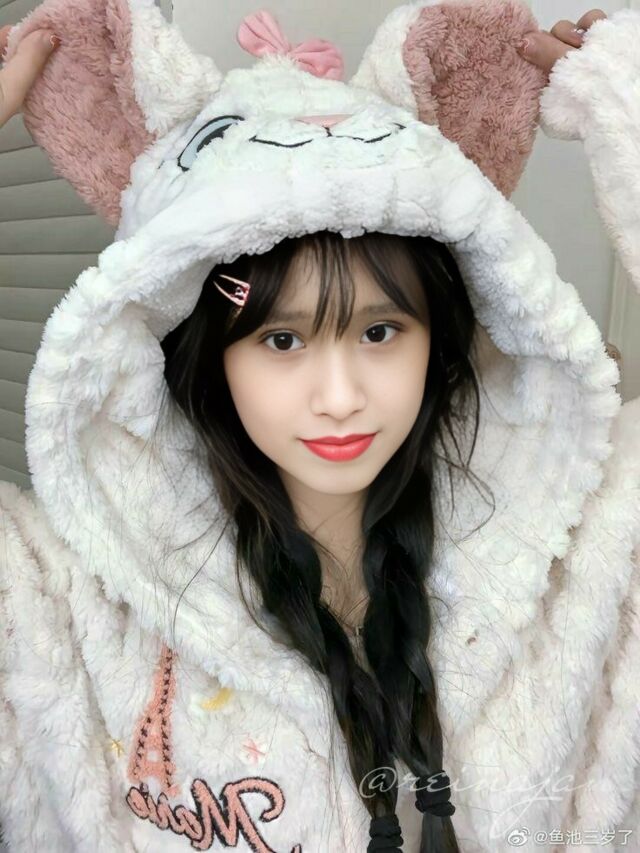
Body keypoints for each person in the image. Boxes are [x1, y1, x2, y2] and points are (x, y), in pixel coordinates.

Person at [0, 2, 637, 852]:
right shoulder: (60, 595)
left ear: (438, 337)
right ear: (210, 353)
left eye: (380, 331)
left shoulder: (588, 551)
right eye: (282, 339)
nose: (339, 397)